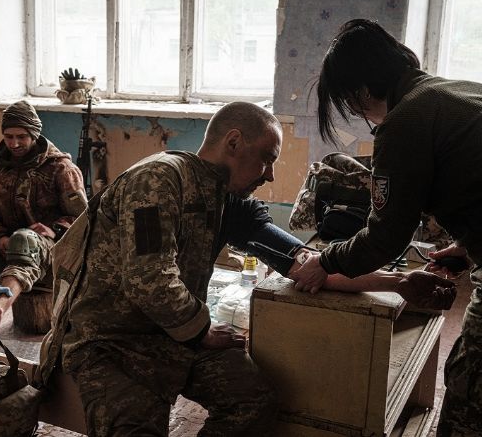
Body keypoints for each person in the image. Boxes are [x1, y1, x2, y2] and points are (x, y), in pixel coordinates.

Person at [44, 102, 455, 437]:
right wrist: (203, 330)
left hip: (175, 340)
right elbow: (149, 279)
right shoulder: (159, 179)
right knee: (138, 427)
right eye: (267, 160)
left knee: (253, 402)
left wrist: (398, 282)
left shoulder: (229, 205)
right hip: (112, 343)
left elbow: (309, 267)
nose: (272, 174)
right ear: (234, 142)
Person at [291, 18, 482, 436]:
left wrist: (325, 260)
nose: (363, 117)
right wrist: (468, 247)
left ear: (361, 92)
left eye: (353, 106)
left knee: (470, 389)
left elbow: (386, 236)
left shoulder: (405, 121)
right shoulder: (459, 91)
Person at [0, 100, 87, 337]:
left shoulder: (61, 168)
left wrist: (56, 230)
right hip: (5, 247)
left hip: (50, 252)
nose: (14, 143)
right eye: (8, 137)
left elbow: (84, 217)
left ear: (34, 134)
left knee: (24, 239)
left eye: (22, 137)